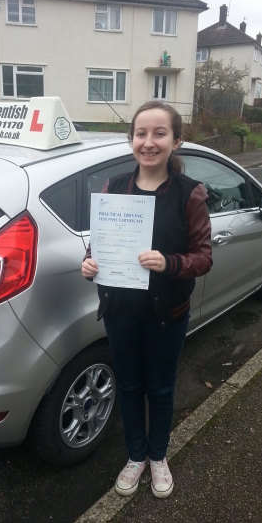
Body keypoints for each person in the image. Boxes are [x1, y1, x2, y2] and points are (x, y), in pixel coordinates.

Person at [81, 101, 212, 498]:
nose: (149, 142)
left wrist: (169, 263)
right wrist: (88, 262)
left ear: (176, 141)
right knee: (132, 387)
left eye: (159, 134)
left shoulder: (190, 195)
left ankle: (158, 456)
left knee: (161, 389)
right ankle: (136, 456)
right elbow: (98, 244)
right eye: (141, 133)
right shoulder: (114, 187)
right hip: (120, 311)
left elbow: (203, 257)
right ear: (131, 139)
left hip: (167, 315)